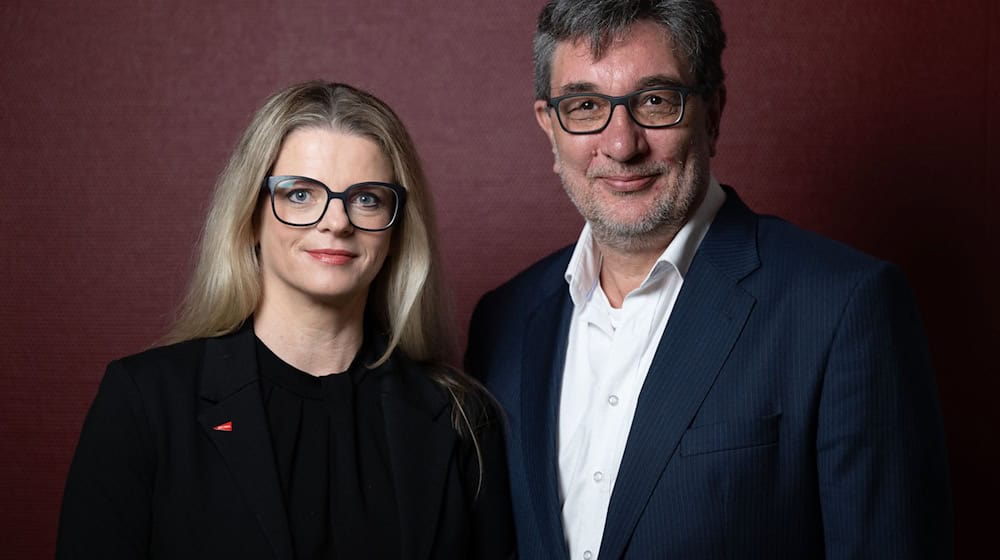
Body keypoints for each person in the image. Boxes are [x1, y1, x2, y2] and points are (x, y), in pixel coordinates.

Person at [465, 1, 953, 558]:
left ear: (713, 112)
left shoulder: (843, 307)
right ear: (550, 128)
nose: (622, 145)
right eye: (585, 105)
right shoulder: (502, 321)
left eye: (654, 101)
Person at [57, 81, 514, 559]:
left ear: (397, 229)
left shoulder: (464, 420)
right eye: (300, 195)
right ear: (252, 215)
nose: (336, 222)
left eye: (367, 199)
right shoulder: (145, 402)